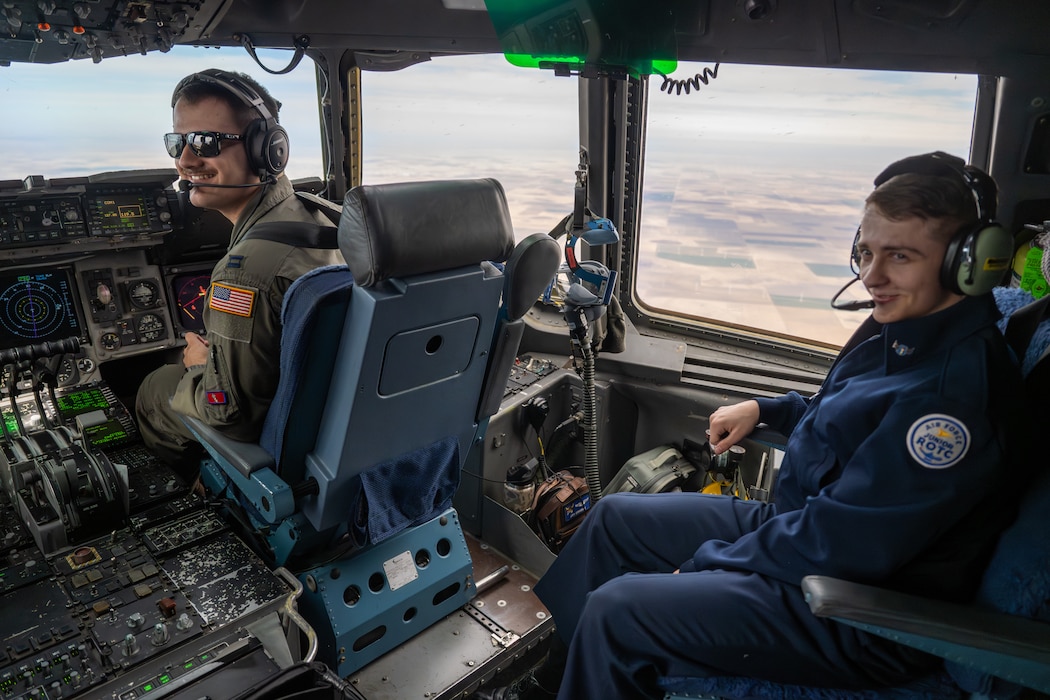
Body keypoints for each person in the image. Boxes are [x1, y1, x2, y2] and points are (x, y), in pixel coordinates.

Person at [484, 152, 1025, 700]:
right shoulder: (905, 327)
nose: (872, 276)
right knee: (614, 519)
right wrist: (769, 410)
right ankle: (552, 682)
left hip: (856, 607)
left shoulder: (949, 404)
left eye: (900, 256)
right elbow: (843, 413)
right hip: (803, 530)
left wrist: (704, 566)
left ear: (968, 263)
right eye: (865, 252)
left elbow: (842, 545)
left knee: (618, 612)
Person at [136, 69, 344, 480]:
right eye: (177, 142)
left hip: (287, 446)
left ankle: (208, 494)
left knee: (155, 388)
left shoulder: (244, 272)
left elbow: (228, 413)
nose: (185, 161)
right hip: (338, 419)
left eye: (205, 143)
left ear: (267, 150)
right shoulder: (329, 215)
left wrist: (198, 366)